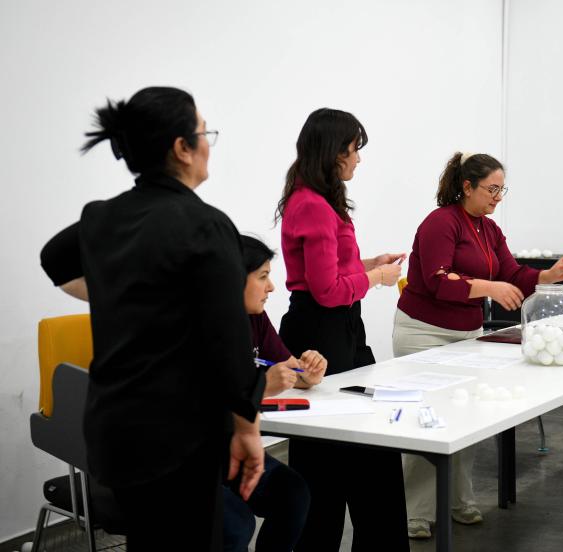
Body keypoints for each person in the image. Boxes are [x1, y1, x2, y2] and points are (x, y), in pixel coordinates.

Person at [39, 87, 265, 551]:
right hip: (179, 438)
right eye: (204, 134)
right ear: (182, 148)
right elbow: (228, 343)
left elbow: (53, 258)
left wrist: (120, 291)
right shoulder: (205, 225)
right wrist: (247, 427)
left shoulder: (104, 217)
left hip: (114, 434)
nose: (208, 145)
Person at [393, 151, 563, 539]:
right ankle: (415, 512)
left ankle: (459, 499)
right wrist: (489, 288)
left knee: (466, 416)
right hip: (424, 333)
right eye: (492, 189)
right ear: (467, 186)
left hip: (466, 334)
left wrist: (550, 274)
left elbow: (513, 273)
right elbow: (438, 280)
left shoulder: (489, 229)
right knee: (426, 420)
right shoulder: (440, 222)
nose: (498, 197)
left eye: (501, 190)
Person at [275, 107, 409, 551]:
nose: (358, 159)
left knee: (358, 450)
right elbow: (327, 289)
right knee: (332, 456)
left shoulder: (316, 198)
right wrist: (376, 278)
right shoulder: (312, 204)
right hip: (322, 332)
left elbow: (331, 270)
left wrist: (369, 264)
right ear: (334, 152)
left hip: (338, 329)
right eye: (354, 149)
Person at [222, 235, 327, 552]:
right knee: (236, 525)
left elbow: (289, 369)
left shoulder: (255, 317)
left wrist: (308, 374)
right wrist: (261, 387)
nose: (271, 288)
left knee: (293, 493)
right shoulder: (197, 327)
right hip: (191, 454)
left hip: (233, 445)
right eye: (263, 277)